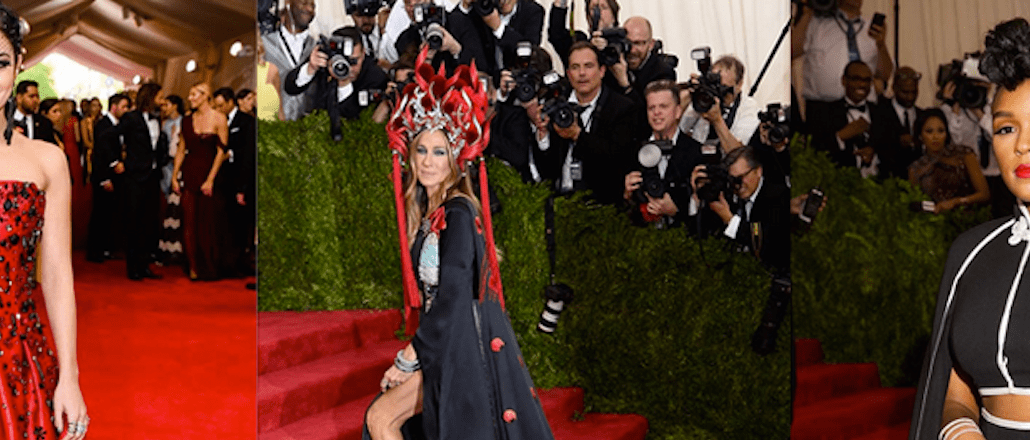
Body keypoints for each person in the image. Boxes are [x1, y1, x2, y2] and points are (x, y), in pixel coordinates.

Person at [362, 47, 554, 440]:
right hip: (442, 342)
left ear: (455, 159)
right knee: (385, 420)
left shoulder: (460, 212)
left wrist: (410, 356)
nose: (428, 161)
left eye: (439, 152)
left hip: (461, 346)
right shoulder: (429, 212)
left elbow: (452, 293)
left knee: (382, 419)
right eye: (421, 150)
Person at [909, 17, 1030, 440]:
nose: (1022, 145)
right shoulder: (971, 252)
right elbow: (953, 385)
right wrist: (960, 428)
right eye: (1006, 128)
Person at [0, 4, 89, 438]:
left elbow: (55, 274)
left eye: (0, 62)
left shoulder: (47, 160)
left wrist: (69, 375)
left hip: (17, 358)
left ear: (19, 64)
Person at [171, 83, 230, 281]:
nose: (190, 98)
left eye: (194, 94)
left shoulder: (219, 118)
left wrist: (210, 179)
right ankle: (193, 266)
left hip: (211, 175)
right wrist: (174, 175)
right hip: (190, 173)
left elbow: (221, 152)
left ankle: (209, 265)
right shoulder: (187, 120)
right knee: (189, 222)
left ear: (205, 96)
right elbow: (181, 149)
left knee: (209, 223)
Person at [907, 109, 989, 214]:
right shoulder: (916, 168)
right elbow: (915, 205)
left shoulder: (963, 155)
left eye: (941, 131)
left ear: (946, 133)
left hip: (970, 218)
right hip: (934, 221)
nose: (935, 137)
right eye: (929, 131)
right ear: (920, 136)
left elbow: (984, 194)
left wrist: (957, 202)